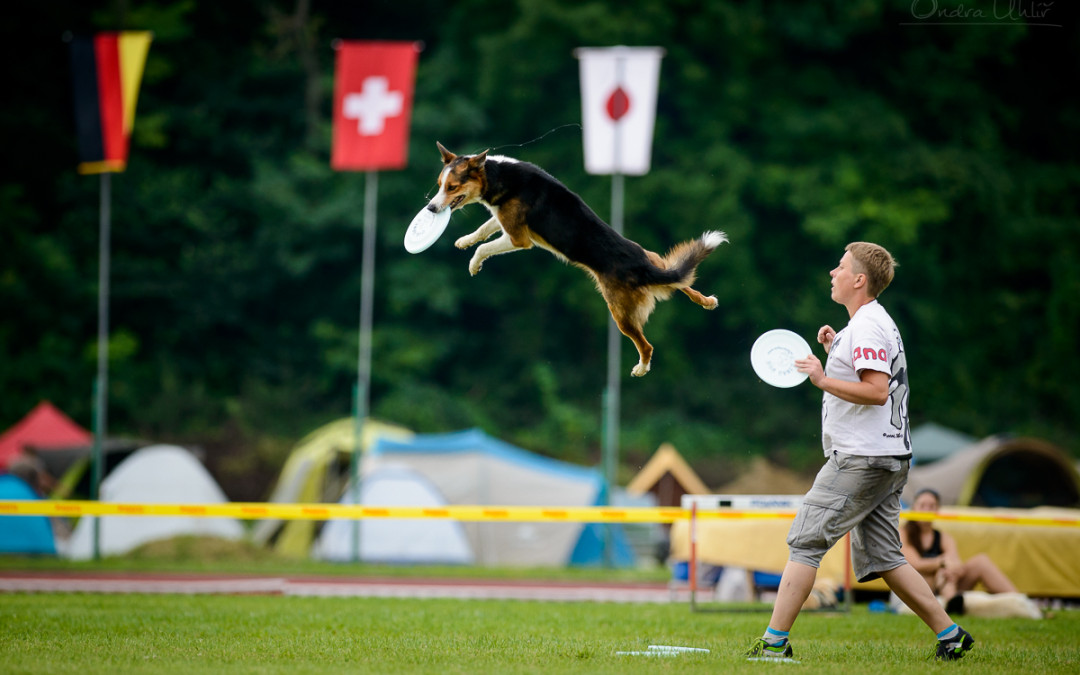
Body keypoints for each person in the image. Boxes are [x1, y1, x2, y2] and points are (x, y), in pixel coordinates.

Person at [746, 242, 975, 662]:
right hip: (890, 457)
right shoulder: (867, 325)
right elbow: (869, 372)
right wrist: (836, 348)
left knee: (805, 540)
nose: (832, 272)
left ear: (859, 280)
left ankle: (774, 642)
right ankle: (951, 634)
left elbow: (875, 390)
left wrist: (820, 377)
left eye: (840, 267)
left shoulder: (868, 326)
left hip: (861, 459)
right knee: (887, 556)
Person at [900, 487, 1018, 614]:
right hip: (920, 586)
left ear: (937, 510)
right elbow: (915, 564)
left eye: (931, 506)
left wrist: (948, 569)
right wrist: (942, 563)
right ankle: (951, 599)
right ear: (914, 508)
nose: (927, 510)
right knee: (940, 570)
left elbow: (956, 564)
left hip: (946, 581)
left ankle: (1019, 600)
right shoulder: (904, 533)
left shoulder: (944, 537)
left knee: (981, 561)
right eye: (922, 506)